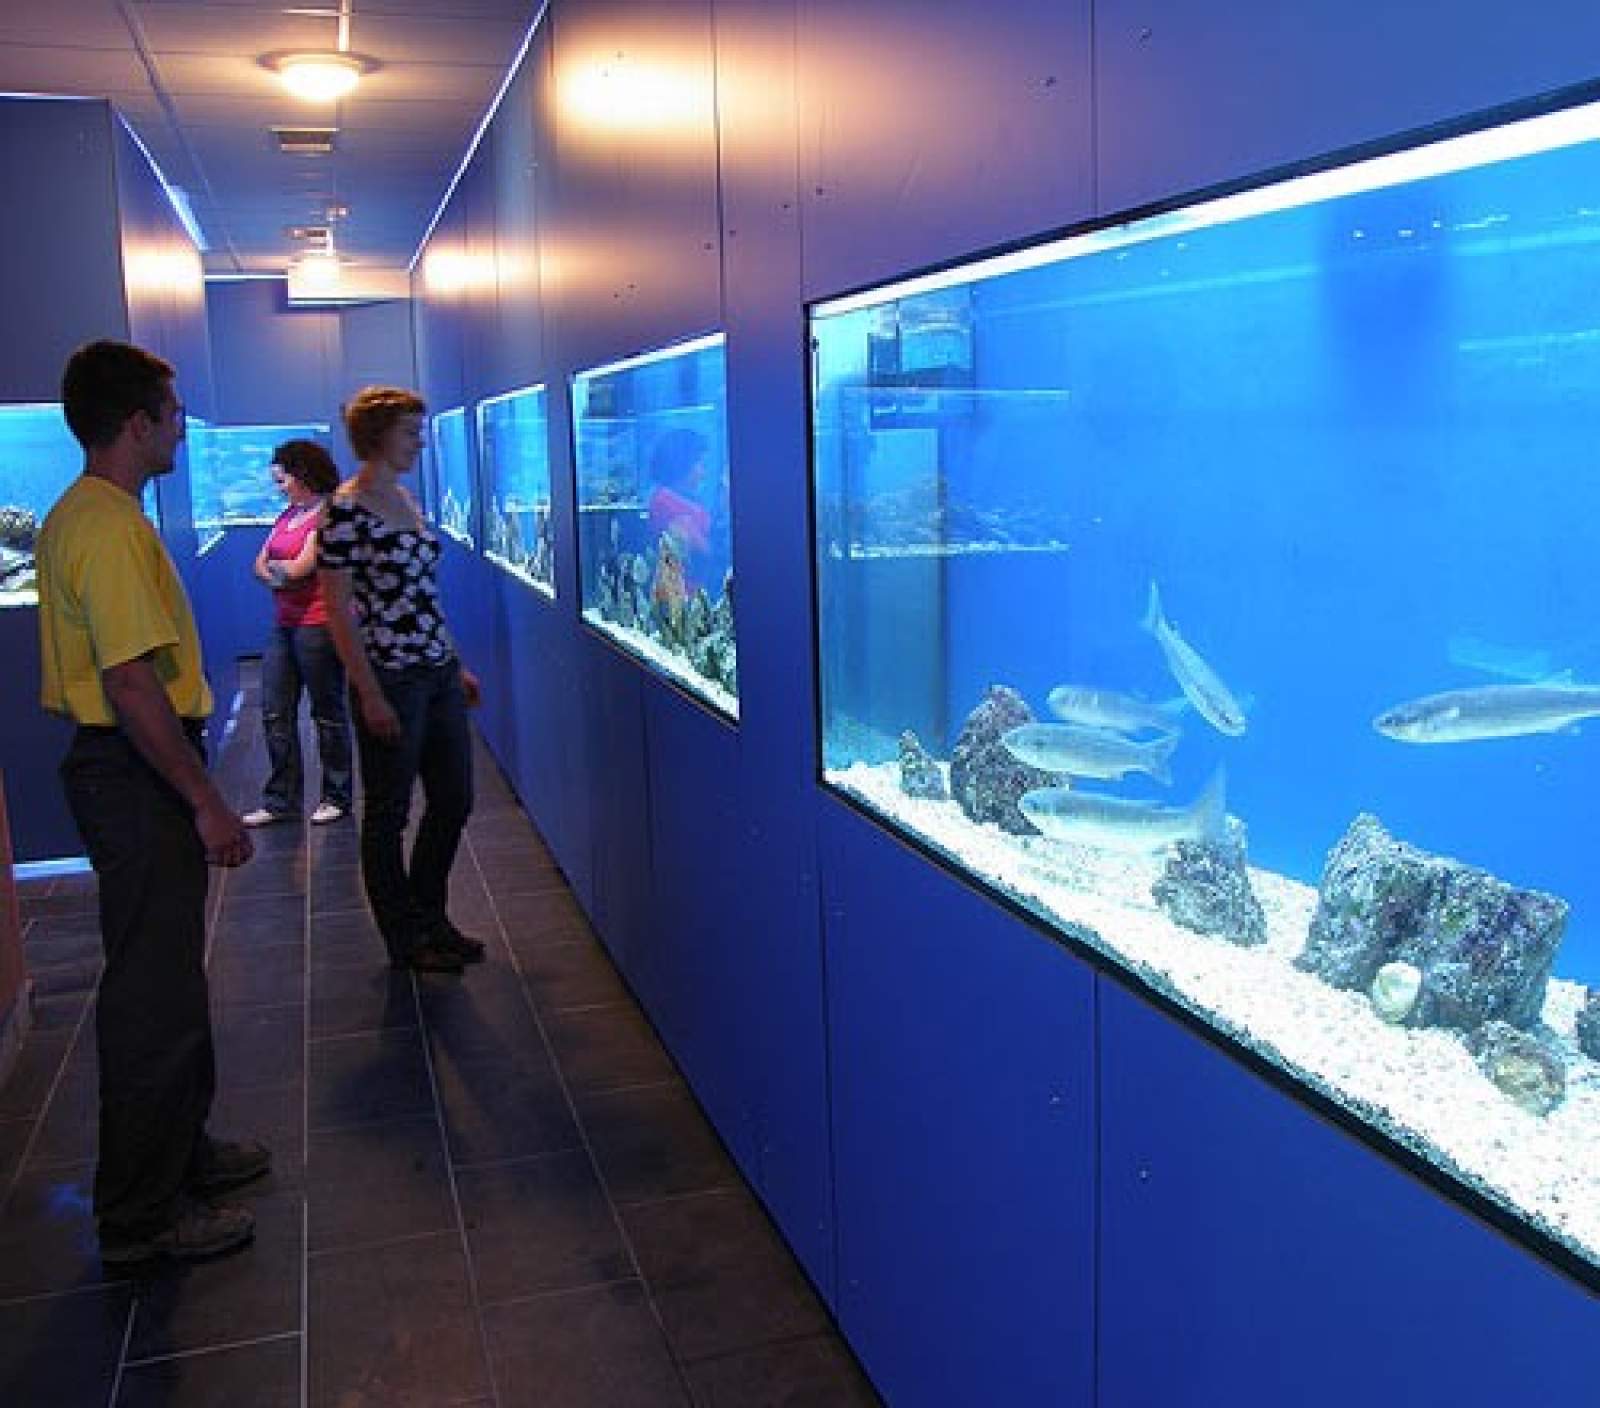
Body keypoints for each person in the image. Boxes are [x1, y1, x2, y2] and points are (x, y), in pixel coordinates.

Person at [35, 340, 268, 1264]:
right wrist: (206, 801)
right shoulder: (107, 528)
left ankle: (183, 1154)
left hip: (128, 770)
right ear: (137, 425)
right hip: (133, 774)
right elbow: (131, 684)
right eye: (173, 416)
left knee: (169, 975)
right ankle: (141, 1215)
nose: (181, 429)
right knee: (152, 996)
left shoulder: (93, 516)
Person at [319, 386, 486, 975]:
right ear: (377, 435)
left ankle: (429, 914)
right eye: (410, 432)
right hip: (390, 675)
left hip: (435, 671)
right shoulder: (345, 509)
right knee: (388, 811)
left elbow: (424, 597)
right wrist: (368, 692)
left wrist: (454, 662)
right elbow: (337, 609)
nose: (419, 442)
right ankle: (405, 935)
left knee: (454, 799)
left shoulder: (405, 498)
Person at [243, 440, 353, 828]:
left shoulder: (329, 516)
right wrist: (281, 573)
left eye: (283, 479)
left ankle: (337, 795)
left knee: (327, 712)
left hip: (318, 625)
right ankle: (281, 800)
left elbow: (298, 569)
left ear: (303, 475)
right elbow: (261, 565)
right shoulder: (289, 515)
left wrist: (280, 572)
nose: (279, 487)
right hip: (284, 623)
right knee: (275, 712)